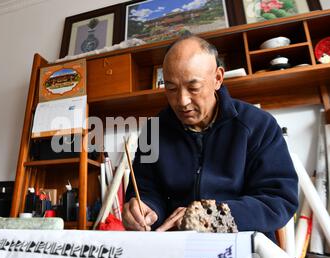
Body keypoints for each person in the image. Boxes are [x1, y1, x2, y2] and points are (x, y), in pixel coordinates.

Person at [123, 35, 298, 243]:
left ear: (218, 78)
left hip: (242, 246)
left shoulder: (258, 125)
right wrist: (143, 209)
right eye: (170, 88)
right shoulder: (154, 131)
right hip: (175, 248)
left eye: (193, 88)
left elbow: (277, 201)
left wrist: (209, 216)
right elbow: (146, 190)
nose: (182, 101)